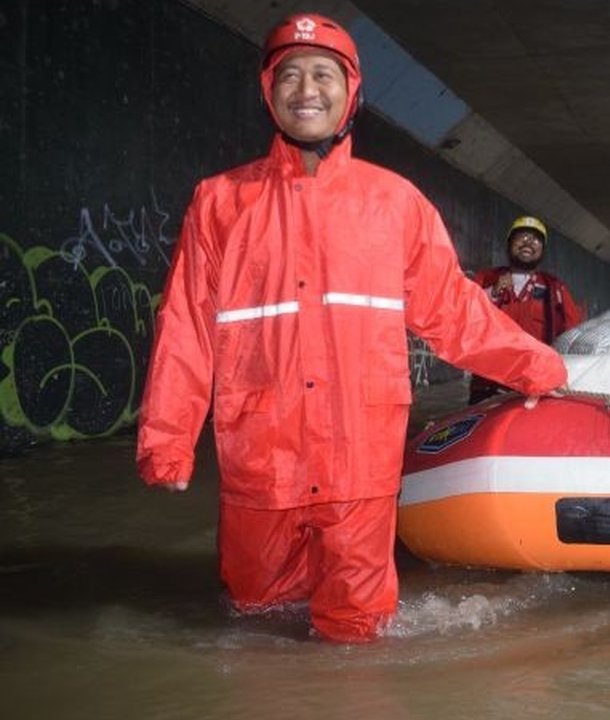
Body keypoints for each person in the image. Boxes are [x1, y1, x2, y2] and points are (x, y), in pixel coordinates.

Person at [134, 13, 566, 643]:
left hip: (359, 460)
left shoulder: (396, 203)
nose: (306, 89)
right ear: (268, 91)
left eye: (323, 73)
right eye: (290, 75)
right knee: (254, 624)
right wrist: (167, 440)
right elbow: (187, 327)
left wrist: (545, 369)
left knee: (357, 634)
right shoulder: (219, 203)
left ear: (351, 92)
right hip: (261, 458)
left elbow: (454, 311)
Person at [470, 215, 583, 402]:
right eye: (521, 237)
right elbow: (466, 314)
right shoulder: (485, 279)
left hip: (535, 385)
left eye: (535, 239)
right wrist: (493, 292)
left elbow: (573, 335)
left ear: (543, 250)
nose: (528, 243)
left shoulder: (555, 288)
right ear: (508, 244)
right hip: (488, 383)